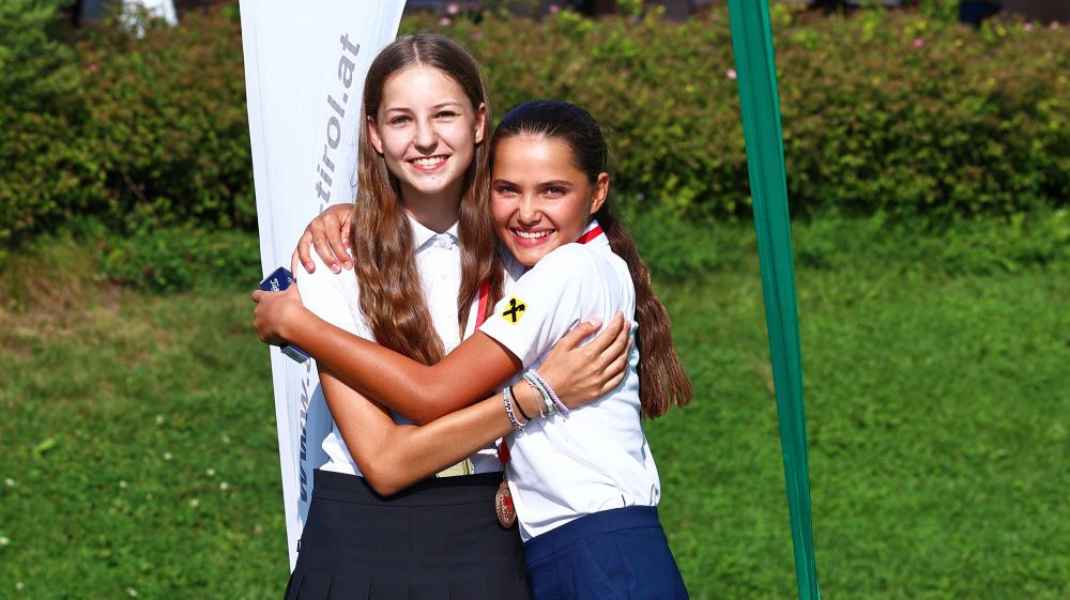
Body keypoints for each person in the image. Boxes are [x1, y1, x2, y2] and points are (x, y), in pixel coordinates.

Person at [254, 100, 692, 599]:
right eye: (507, 189)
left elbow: (433, 393)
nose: (527, 211)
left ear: (598, 192)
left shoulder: (565, 271)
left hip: (598, 548)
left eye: (553, 190)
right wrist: (353, 217)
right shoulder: (560, 263)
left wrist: (300, 326)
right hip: (573, 544)